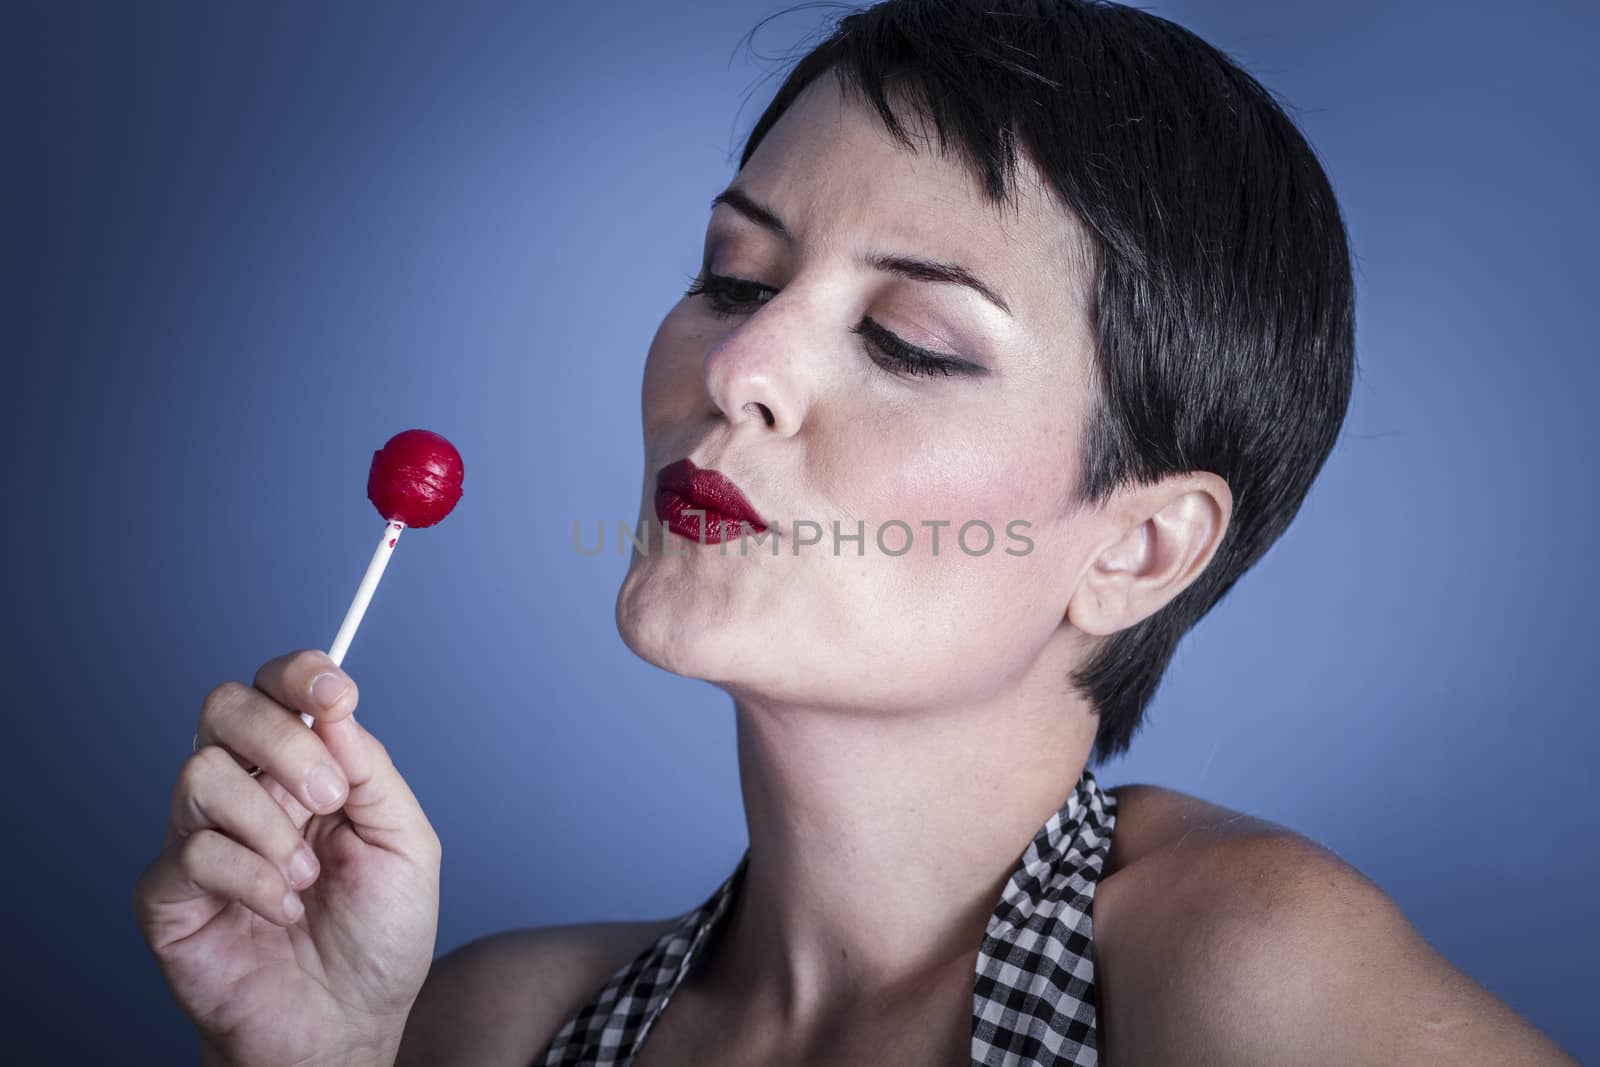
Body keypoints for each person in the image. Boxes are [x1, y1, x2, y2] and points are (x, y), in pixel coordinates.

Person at [133, 1, 1580, 1064]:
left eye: (906, 337)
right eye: (731, 272)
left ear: (1137, 550)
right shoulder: (487, 1026)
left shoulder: (1247, 979)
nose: (740, 365)